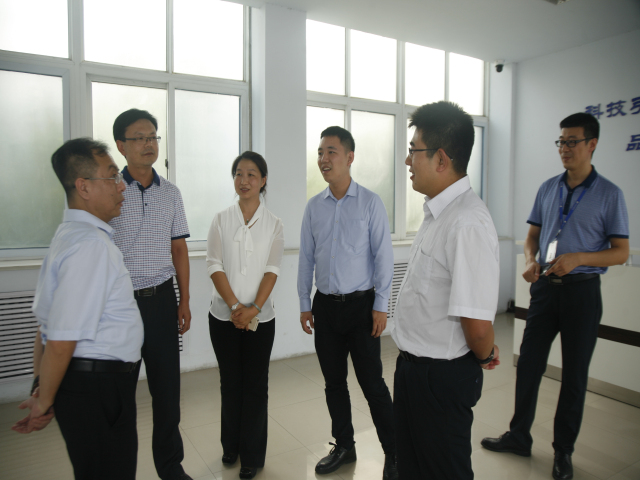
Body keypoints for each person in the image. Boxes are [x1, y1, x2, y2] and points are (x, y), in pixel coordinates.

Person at [481, 112, 629, 480]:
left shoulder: (610, 194)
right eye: (561, 141)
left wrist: (580, 258)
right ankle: (519, 436)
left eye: (572, 142)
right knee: (529, 364)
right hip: (546, 289)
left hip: (582, 292)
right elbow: (532, 237)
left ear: (592, 144)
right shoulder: (548, 188)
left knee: (574, 375)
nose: (564, 148)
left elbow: (621, 252)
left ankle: (563, 451)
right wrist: (530, 260)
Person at [12, 138, 144, 480]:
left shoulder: (68, 235)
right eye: (113, 176)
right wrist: (44, 401)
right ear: (83, 187)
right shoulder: (89, 245)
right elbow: (60, 339)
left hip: (86, 385)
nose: (122, 186)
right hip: (97, 389)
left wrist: (41, 385)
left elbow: (45, 326)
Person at [392, 101, 500, 480]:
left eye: (414, 150)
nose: (408, 161)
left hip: (440, 380)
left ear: (440, 158)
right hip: (413, 370)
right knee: (410, 468)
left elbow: (478, 326)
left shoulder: (467, 222)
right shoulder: (438, 212)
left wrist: (485, 354)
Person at [298, 126, 398, 480]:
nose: (323, 159)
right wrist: (304, 302)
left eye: (331, 152)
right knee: (334, 383)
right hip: (325, 307)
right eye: (320, 153)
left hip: (361, 308)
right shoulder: (314, 207)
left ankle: (394, 452)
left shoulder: (370, 203)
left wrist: (381, 305)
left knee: (372, 384)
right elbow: (306, 258)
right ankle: (344, 445)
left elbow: (384, 257)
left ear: (350, 157)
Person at [110, 109, 192, 480]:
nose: (149, 144)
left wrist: (184, 299)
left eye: (153, 137)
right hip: (121, 304)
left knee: (167, 390)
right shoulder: (110, 190)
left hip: (161, 300)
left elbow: (178, 250)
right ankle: (119, 469)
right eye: (140, 138)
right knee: (120, 394)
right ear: (121, 145)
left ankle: (171, 467)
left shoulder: (171, 193)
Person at [206, 152, 284, 480]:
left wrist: (253, 309)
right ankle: (231, 446)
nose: (244, 180)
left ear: (263, 180)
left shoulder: (274, 224)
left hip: (260, 320)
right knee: (230, 383)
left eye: (252, 174)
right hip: (222, 317)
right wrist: (235, 305)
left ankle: (252, 455)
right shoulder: (221, 219)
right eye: (239, 173)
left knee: (255, 385)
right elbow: (214, 264)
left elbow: (272, 270)